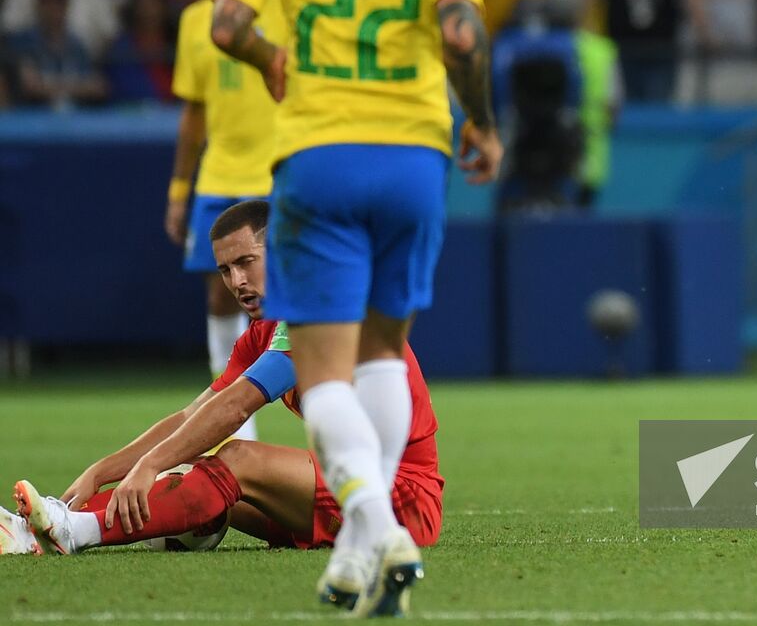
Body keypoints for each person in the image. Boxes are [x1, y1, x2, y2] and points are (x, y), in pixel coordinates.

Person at [208, 0, 502, 616]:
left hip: (318, 158)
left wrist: (270, 59)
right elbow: (458, 29)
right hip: (412, 157)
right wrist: (479, 121)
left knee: (324, 372)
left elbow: (229, 21)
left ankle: (372, 526)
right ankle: (368, 537)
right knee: (384, 353)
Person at [1, 199, 442, 558]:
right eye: (226, 270)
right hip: (347, 487)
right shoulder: (259, 334)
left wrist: (149, 465)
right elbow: (192, 416)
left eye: (247, 262)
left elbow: (235, 407)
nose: (237, 281)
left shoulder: (319, 311)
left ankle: (74, 531)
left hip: (401, 499)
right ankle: (41, 529)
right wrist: (105, 470)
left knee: (236, 459)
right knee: (189, 469)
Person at [167, 0, 286, 438]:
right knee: (220, 292)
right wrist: (178, 189)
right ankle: (236, 420)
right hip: (217, 175)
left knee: (284, 289)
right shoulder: (195, 20)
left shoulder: (283, 6)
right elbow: (194, 113)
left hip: (274, 171)